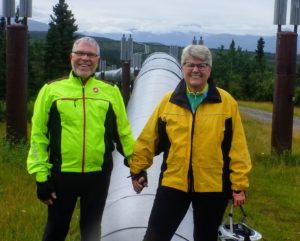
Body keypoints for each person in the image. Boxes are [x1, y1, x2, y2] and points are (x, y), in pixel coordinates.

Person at [130, 44, 252, 241]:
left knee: (205, 237)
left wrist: (238, 185)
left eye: (202, 65)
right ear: (182, 68)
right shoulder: (168, 101)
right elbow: (149, 139)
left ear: (209, 70)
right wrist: (137, 169)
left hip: (213, 187)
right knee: (155, 236)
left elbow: (237, 147)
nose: (196, 70)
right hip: (173, 183)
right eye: (190, 65)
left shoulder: (226, 102)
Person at [27, 36, 135, 241]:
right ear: (71, 57)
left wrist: (136, 165)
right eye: (80, 54)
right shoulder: (51, 90)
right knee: (56, 230)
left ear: (98, 59)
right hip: (62, 174)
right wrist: (41, 177)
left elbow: (123, 132)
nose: (85, 59)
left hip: (98, 175)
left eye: (90, 55)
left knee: (92, 231)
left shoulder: (110, 92)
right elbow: (38, 136)